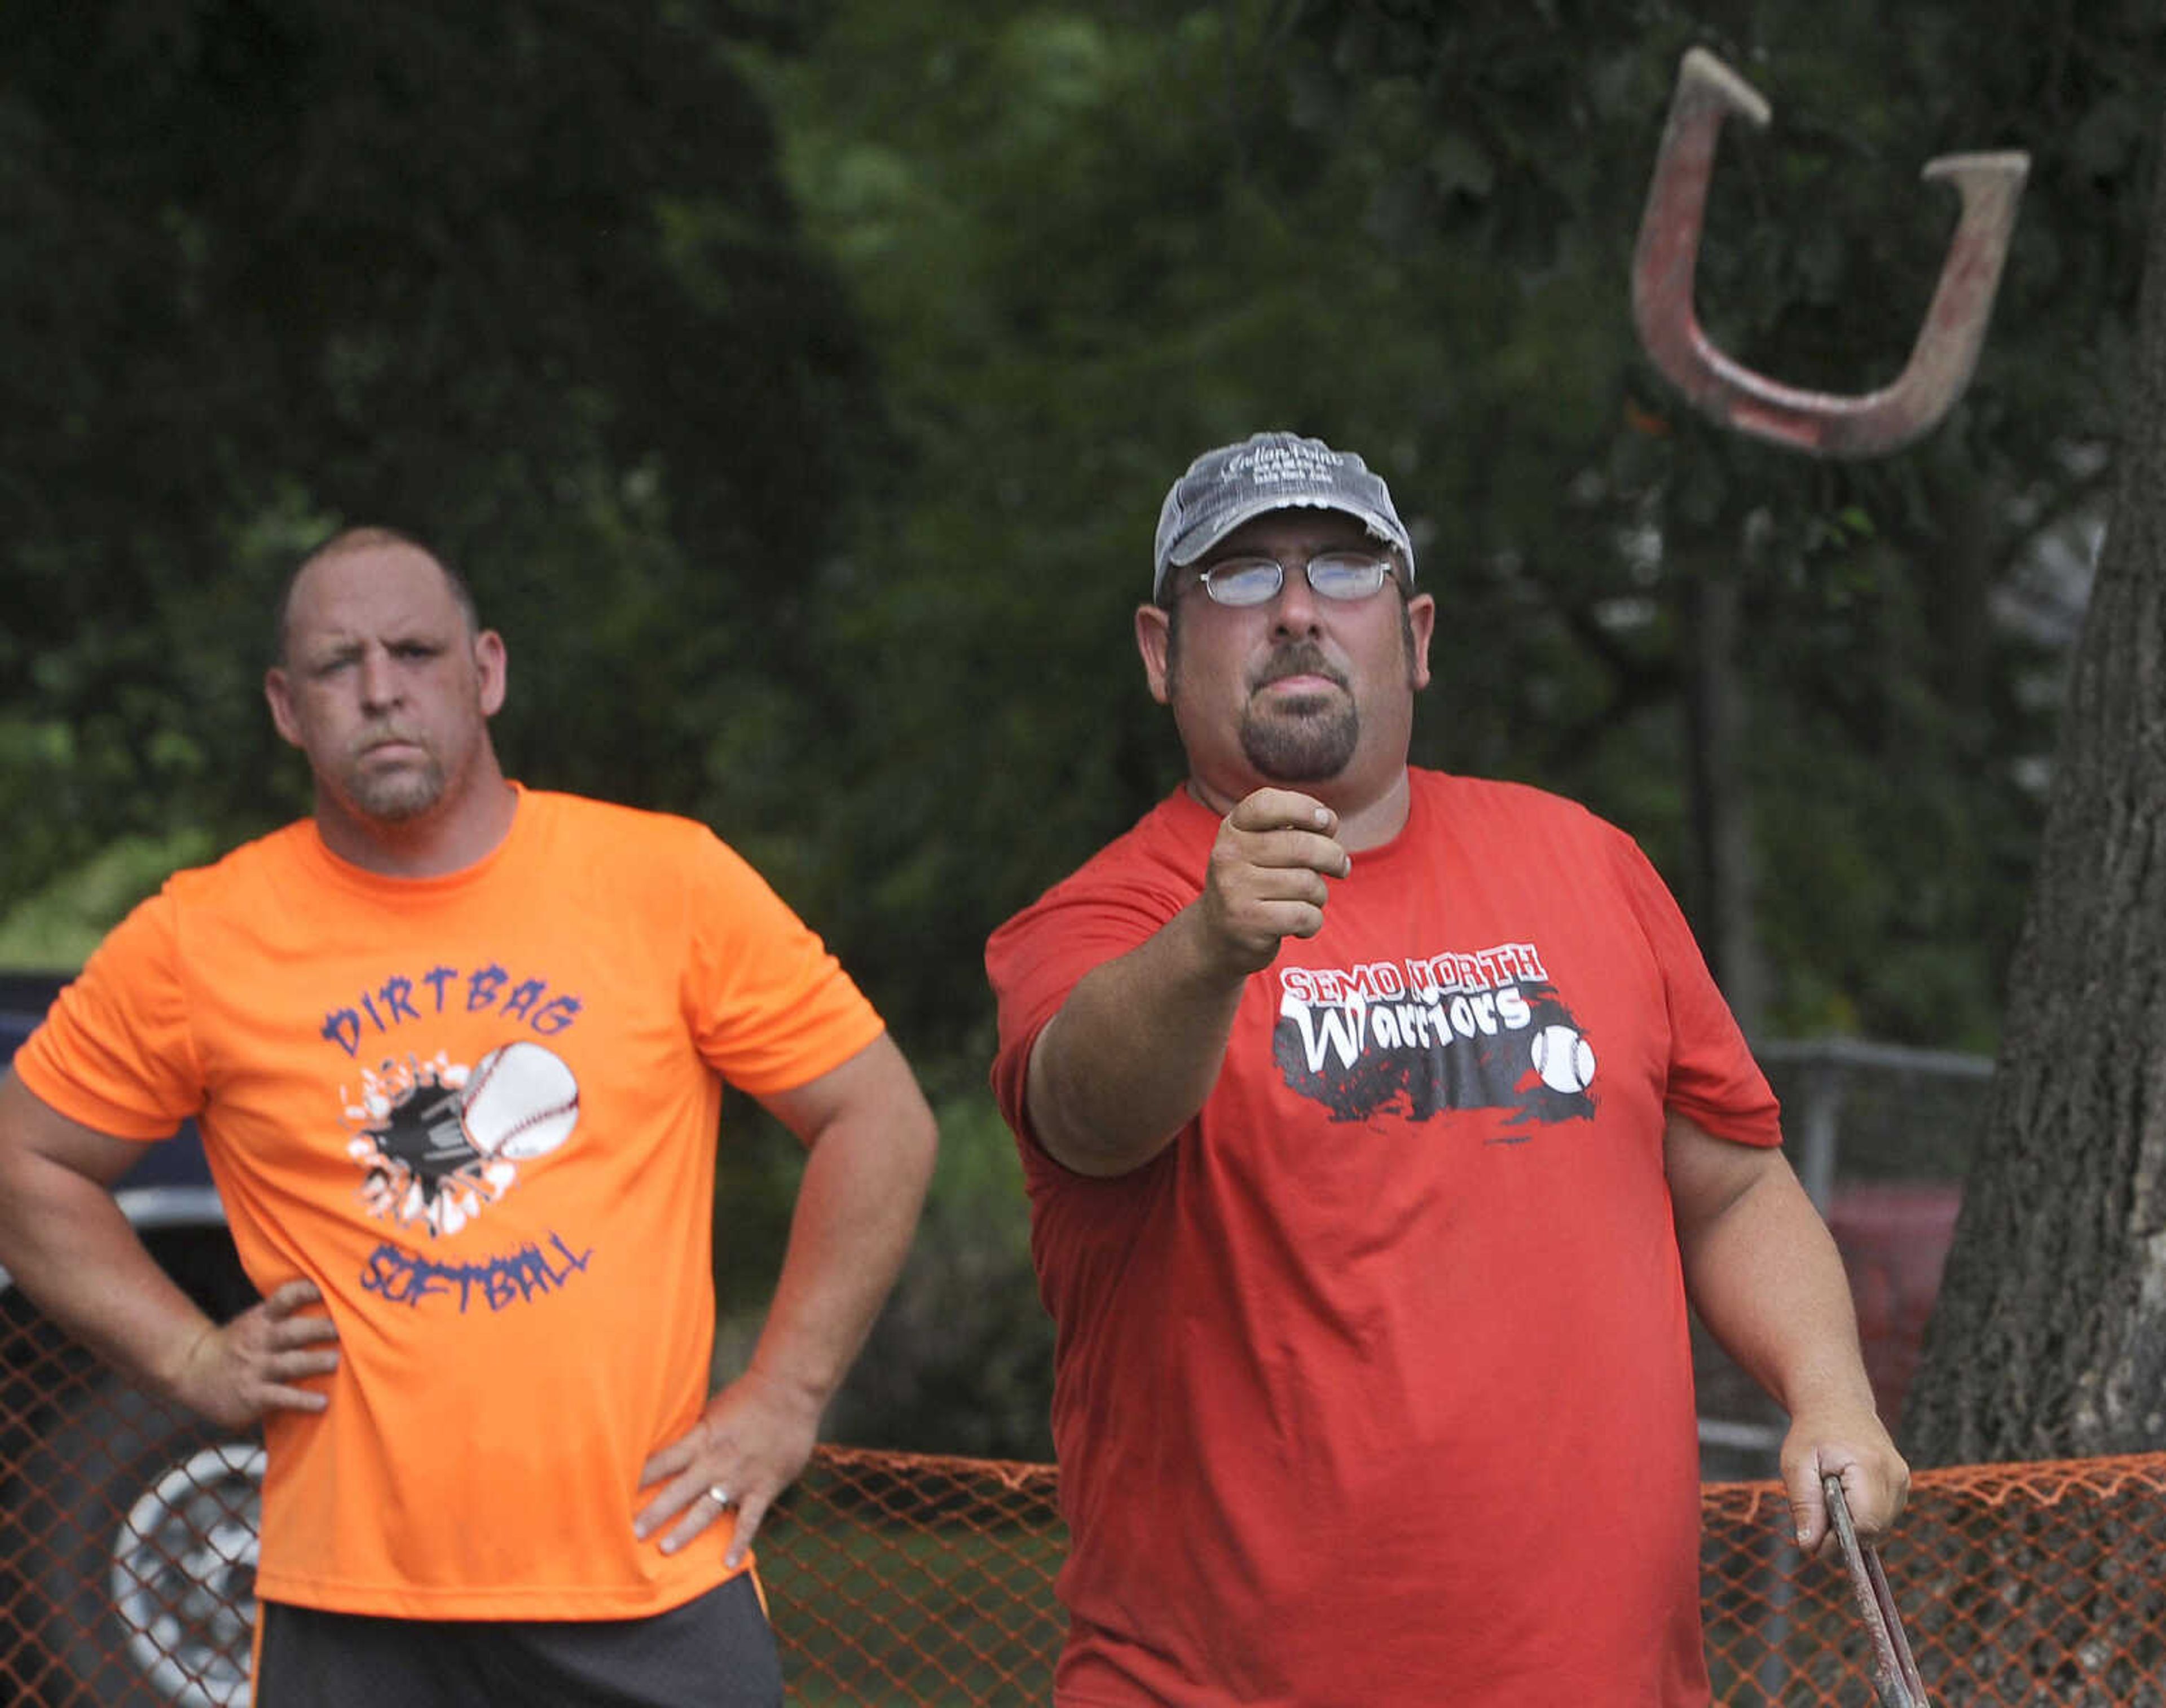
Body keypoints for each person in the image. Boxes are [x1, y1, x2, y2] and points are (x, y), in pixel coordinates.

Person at [984, 431, 1908, 1706]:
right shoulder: (1107, 918)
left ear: (1415, 634)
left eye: (1344, 572)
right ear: (1161, 650)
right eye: (1243, 578)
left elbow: (1735, 1188)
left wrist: (1831, 1392)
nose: (1298, 610)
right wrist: (1209, 946)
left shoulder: (1587, 863)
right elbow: (1086, 1113)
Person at [0, 527, 938, 1707]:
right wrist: (188, 1355)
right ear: (288, 708)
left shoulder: (667, 882)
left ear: (485, 671)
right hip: (351, 1605)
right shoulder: (204, 937)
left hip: (649, 1578)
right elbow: (23, 1156)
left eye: (413, 649)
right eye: (337, 664)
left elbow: (879, 1118)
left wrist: (786, 1396)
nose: (380, 687)